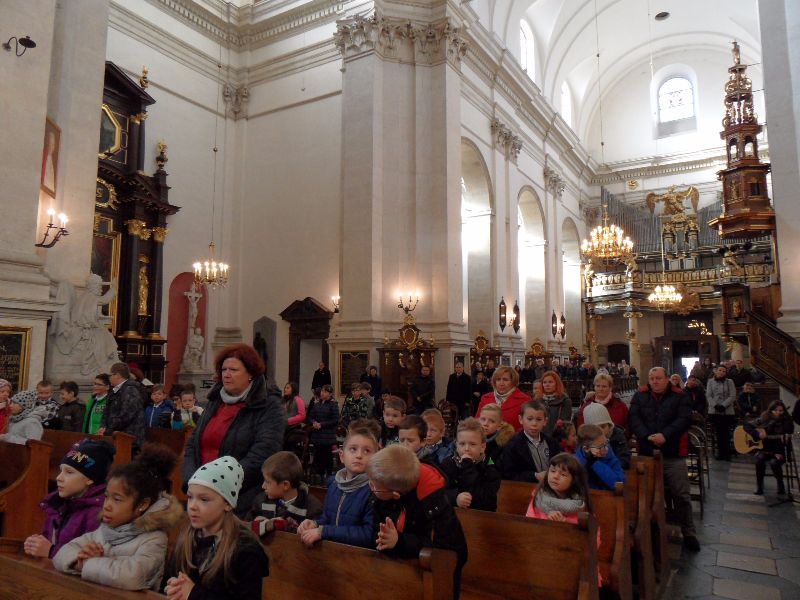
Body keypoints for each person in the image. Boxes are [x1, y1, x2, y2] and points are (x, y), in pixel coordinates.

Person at [53, 443, 183, 590]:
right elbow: (61, 554)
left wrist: (90, 563)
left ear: (142, 504)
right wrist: (80, 559)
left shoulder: (154, 539)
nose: (106, 506)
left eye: (117, 499)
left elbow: (132, 577)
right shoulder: (104, 530)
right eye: (106, 497)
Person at [182, 344, 285, 517]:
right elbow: (193, 444)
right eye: (224, 369)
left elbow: (263, 453)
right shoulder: (215, 400)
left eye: (234, 370)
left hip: (241, 498)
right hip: (200, 493)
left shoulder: (268, 406)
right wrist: (192, 480)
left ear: (250, 374)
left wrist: (219, 485)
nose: (226, 374)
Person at [367, 445, 468, 600]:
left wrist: (399, 541)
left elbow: (440, 547)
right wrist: (384, 539)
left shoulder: (434, 504)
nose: (370, 488)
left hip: (441, 569)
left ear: (396, 495)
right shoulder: (383, 493)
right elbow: (377, 528)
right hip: (401, 568)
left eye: (374, 487)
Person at [166, 456, 269, 600]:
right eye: (190, 497)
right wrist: (172, 587)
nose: (192, 506)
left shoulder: (245, 551)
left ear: (227, 504)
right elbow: (169, 580)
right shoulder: (186, 539)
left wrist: (193, 594)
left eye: (204, 499)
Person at [629, 367, 699, 551]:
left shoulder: (680, 396)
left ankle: (688, 532)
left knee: (681, 494)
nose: (655, 381)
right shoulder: (640, 395)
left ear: (667, 379)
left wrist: (665, 436)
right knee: (645, 494)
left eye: (658, 378)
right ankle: (647, 530)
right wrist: (646, 436)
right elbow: (634, 418)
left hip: (672, 453)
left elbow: (684, 420)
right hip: (647, 452)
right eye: (651, 378)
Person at [24, 439, 115, 558]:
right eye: (61, 470)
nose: (59, 477)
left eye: (69, 472)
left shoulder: (97, 514)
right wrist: (35, 545)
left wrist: (51, 552)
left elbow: (89, 560)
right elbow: (49, 539)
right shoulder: (58, 505)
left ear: (90, 478)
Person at [297, 424, 377, 548]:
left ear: (375, 458)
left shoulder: (375, 490)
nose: (359, 455)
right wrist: (315, 524)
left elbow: (369, 535)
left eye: (367, 451)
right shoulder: (334, 485)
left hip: (358, 556)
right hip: (332, 551)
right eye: (353, 449)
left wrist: (324, 531)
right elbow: (328, 518)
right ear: (342, 456)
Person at [248, 451, 322, 534]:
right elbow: (246, 527)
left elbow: (312, 535)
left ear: (285, 485)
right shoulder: (260, 501)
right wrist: (256, 523)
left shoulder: (312, 508)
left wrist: (281, 525)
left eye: (267, 482)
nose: (263, 486)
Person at [439, 418, 501, 511]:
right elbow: (439, 493)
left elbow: (486, 498)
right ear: (456, 445)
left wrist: (467, 465)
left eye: (472, 444)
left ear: (482, 447)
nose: (466, 448)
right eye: (462, 444)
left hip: (482, 516)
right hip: (454, 514)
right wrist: (455, 498)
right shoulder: (448, 463)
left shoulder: (490, 467)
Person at [499, 400, 560, 482]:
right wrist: (535, 476)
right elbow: (509, 475)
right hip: (526, 487)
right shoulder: (512, 446)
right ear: (521, 419)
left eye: (539, 419)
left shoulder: (552, 443)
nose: (534, 423)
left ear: (545, 421)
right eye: (529, 419)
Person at [745, 401, 795, 495]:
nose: (779, 413)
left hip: (780, 450)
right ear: (771, 410)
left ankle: (780, 484)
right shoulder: (765, 417)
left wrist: (785, 439)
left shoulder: (787, 421)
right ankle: (759, 486)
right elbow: (747, 426)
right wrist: (757, 434)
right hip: (765, 449)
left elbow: (788, 436)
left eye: (781, 410)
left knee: (774, 462)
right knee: (759, 459)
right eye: (776, 410)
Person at [525, 453, 591, 523]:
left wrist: (565, 521)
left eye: (563, 474)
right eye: (553, 471)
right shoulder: (539, 498)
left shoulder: (580, 503)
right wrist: (548, 518)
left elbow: (592, 528)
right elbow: (528, 525)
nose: (555, 476)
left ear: (574, 480)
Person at [100, 363, 146, 449]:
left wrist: (108, 429)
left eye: (110, 375)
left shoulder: (130, 390)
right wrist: (103, 426)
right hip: (116, 435)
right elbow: (106, 411)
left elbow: (126, 416)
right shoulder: (114, 390)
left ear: (117, 375)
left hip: (129, 438)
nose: (109, 378)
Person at [476, 366, 530, 433]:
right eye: (498, 379)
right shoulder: (485, 398)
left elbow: (527, 426)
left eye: (505, 380)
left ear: (513, 382)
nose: (501, 383)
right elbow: (477, 421)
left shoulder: (524, 400)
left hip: (514, 438)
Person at [575, 424, 625, 491]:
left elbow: (619, 484)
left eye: (606, 443)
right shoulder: (576, 462)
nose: (606, 449)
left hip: (609, 495)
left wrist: (595, 463)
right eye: (600, 447)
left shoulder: (609, 455)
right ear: (586, 449)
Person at [582, 402, 631, 469]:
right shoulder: (586, 440)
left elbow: (624, 459)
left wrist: (609, 468)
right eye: (595, 428)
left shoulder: (617, 436)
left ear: (609, 425)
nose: (600, 431)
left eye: (603, 426)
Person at [307, 383, 339, 481]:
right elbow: (310, 417)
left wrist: (322, 424)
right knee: (318, 454)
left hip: (327, 434)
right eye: (322, 391)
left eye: (325, 391)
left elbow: (335, 420)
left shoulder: (333, 405)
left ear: (330, 394)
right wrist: (314, 422)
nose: (322, 393)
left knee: (327, 455)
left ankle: (328, 474)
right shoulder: (317, 404)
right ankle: (318, 474)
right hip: (317, 434)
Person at [706, 365, 737, 460]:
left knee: (726, 433)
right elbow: (708, 395)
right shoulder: (710, 381)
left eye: (724, 371)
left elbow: (732, 395)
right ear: (716, 371)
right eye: (720, 370)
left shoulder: (730, 382)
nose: (721, 372)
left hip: (727, 411)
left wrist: (723, 405)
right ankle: (720, 453)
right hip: (714, 411)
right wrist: (715, 405)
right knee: (718, 433)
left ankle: (727, 453)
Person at [534, 370, 572, 436]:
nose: (547, 385)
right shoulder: (537, 400)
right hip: (539, 436)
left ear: (556, 383)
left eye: (550, 382)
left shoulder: (564, 400)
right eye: (544, 382)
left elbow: (565, 422)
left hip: (556, 436)